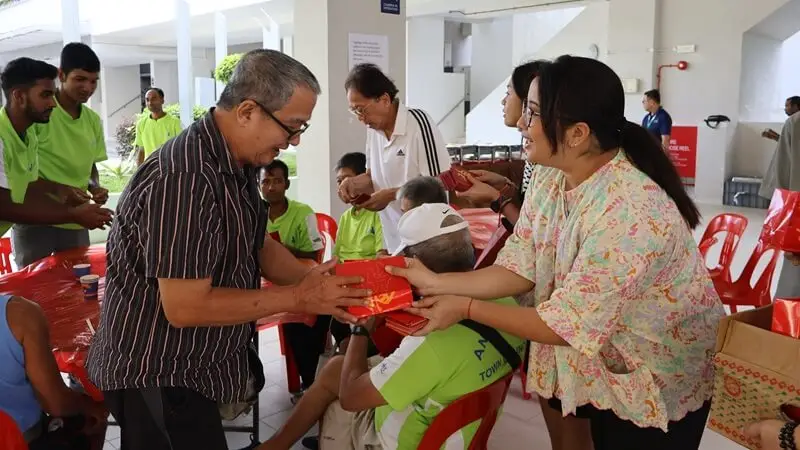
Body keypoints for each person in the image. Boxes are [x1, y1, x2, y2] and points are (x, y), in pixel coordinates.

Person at [390, 55, 724, 450]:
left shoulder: (629, 209)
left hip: (655, 373)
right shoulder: (552, 177)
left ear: (578, 133)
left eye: (532, 113)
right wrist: (437, 281)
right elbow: (521, 263)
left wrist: (463, 306)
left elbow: (568, 324)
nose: (519, 123)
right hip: (602, 355)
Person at [85, 49, 370, 450]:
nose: (295, 141)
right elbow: (185, 307)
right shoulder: (185, 178)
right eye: (292, 127)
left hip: (192, 366)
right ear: (248, 111)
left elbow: (258, 247)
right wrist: (297, 297)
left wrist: (320, 281)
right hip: (157, 371)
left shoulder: (237, 160)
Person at [257, 204, 525, 450]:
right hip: (458, 425)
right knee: (338, 368)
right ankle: (277, 444)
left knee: (339, 389)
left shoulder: (429, 341)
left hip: (406, 440)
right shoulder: (506, 303)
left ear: (413, 262)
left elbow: (351, 397)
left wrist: (361, 330)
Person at [12, 43, 111, 268]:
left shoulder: (93, 120)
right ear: (61, 75)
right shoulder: (37, 114)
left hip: (77, 223)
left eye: (93, 81)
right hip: (36, 219)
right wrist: (59, 190)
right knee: (34, 290)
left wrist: (94, 186)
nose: (88, 87)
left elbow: (90, 165)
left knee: (77, 288)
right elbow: (18, 172)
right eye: (80, 79)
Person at [337, 63, 452, 254]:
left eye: (361, 109)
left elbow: (441, 183)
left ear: (384, 99)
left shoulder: (418, 124)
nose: (360, 118)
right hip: (395, 239)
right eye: (354, 111)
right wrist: (354, 184)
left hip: (428, 241)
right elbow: (372, 176)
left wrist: (391, 195)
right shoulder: (374, 131)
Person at [0, 294, 107, 449]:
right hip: (22, 438)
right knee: (93, 419)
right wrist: (93, 406)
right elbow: (56, 403)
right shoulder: (19, 313)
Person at [457, 61, 545, 226]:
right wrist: (504, 184)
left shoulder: (547, 158)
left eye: (508, 93)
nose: (503, 101)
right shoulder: (534, 151)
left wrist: (496, 199)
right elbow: (529, 206)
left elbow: (532, 232)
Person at [760, 95, 800, 298]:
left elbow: (782, 179)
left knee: (792, 293)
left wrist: (784, 226)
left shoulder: (794, 123)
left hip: (797, 220)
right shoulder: (793, 123)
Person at [262, 159, 323, 260]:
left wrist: (286, 251)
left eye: (277, 181)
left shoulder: (304, 212)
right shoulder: (250, 213)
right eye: (266, 182)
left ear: (287, 184)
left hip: (297, 273)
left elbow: (315, 256)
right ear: (259, 186)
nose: (271, 188)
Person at [333, 152, 385, 262]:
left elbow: (382, 256)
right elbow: (336, 257)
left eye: (346, 180)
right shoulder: (345, 217)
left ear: (363, 179)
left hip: (367, 274)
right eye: (339, 181)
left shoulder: (379, 212)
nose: (342, 186)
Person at [134, 87, 183, 165]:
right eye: (147, 100)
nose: (150, 102)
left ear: (162, 100)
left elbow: (181, 149)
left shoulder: (175, 123)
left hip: (170, 168)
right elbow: (141, 150)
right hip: (150, 169)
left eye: (154, 99)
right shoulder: (141, 124)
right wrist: (139, 172)